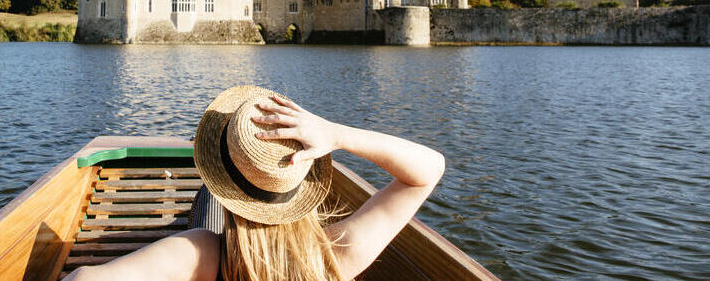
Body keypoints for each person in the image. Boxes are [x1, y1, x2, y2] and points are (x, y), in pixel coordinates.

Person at [64, 85, 445, 281]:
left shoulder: (202, 253)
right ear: (303, 182)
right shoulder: (335, 256)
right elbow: (428, 169)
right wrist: (337, 134)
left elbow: (80, 280)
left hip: (212, 243)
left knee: (206, 208)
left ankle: (208, 196)